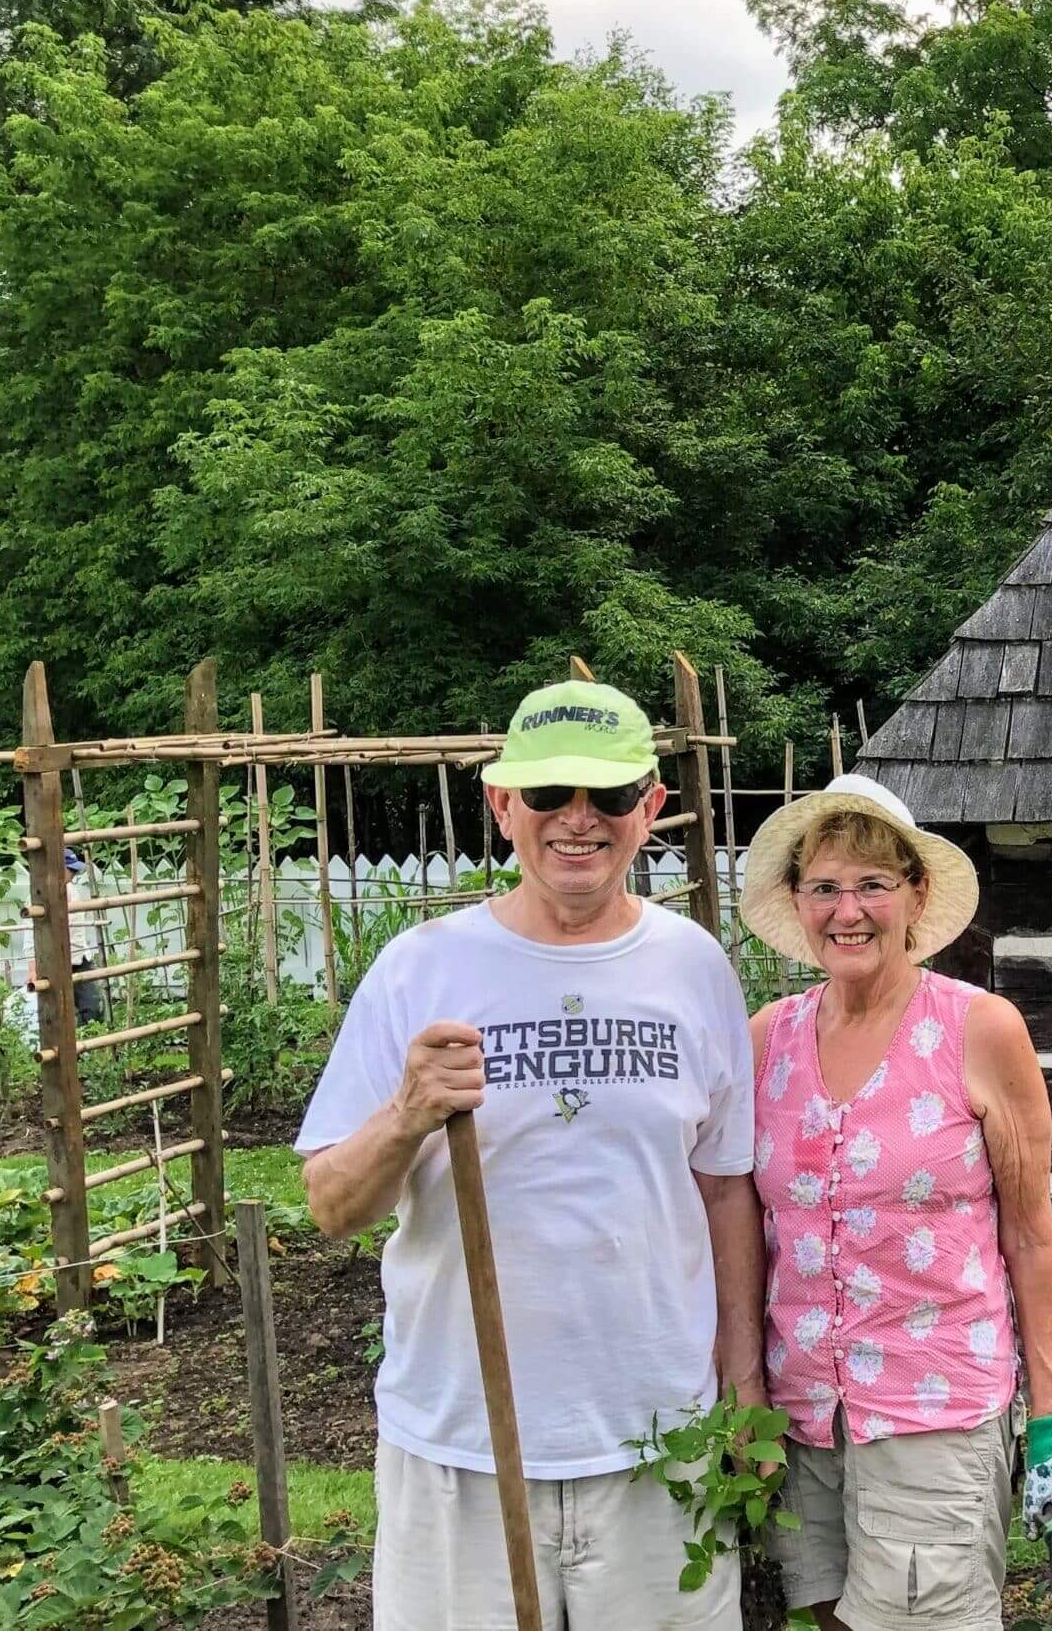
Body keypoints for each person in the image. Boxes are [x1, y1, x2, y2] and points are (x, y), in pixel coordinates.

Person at [297, 680, 762, 1630]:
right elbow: (331, 1205)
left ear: (654, 809)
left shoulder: (696, 966)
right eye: (548, 794)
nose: (578, 821)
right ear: (502, 805)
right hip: (460, 1440)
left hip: (656, 1440)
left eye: (610, 796)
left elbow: (725, 1194)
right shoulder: (423, 966)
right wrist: (407, 1115)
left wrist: (743, 1388)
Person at [739, 774, 1052, 1631]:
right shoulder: (767, 1039)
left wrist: (1048, 1422)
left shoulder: (980, 1028)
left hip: (932, 1408)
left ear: (916, 894)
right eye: (824, 887)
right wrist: (746, 1389)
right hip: (802, 1422)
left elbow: (1028, 1235)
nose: (848, 910)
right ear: (797, 902)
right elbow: (750, 1230)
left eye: (872, 885)